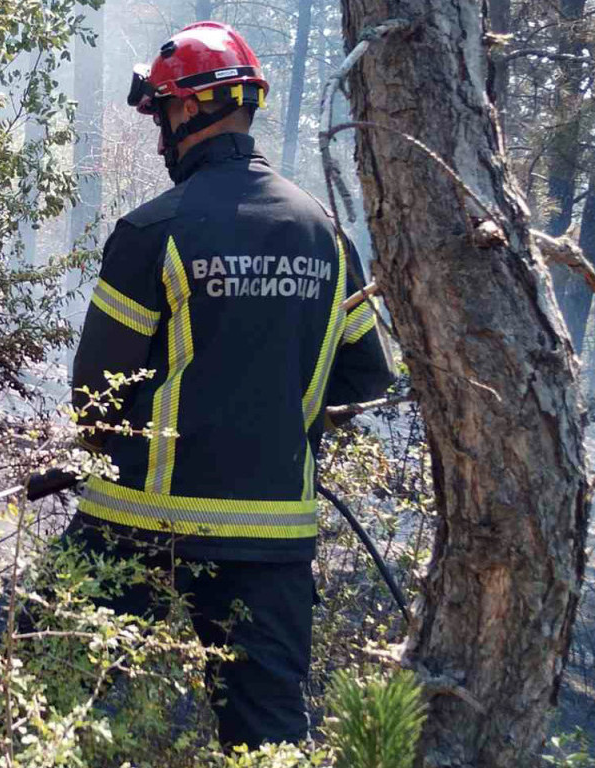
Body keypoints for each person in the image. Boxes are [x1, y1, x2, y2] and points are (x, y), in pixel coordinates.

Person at [64, 21, 395, 749]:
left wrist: (96, 450)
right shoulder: (326, 237)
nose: (159, 138)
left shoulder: (156, 229)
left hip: (138, 525)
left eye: (161, 116)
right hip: (273, 542)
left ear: (188, 111)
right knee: (268, 743)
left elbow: (95, 394)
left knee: (58, 695)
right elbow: (366, 380)